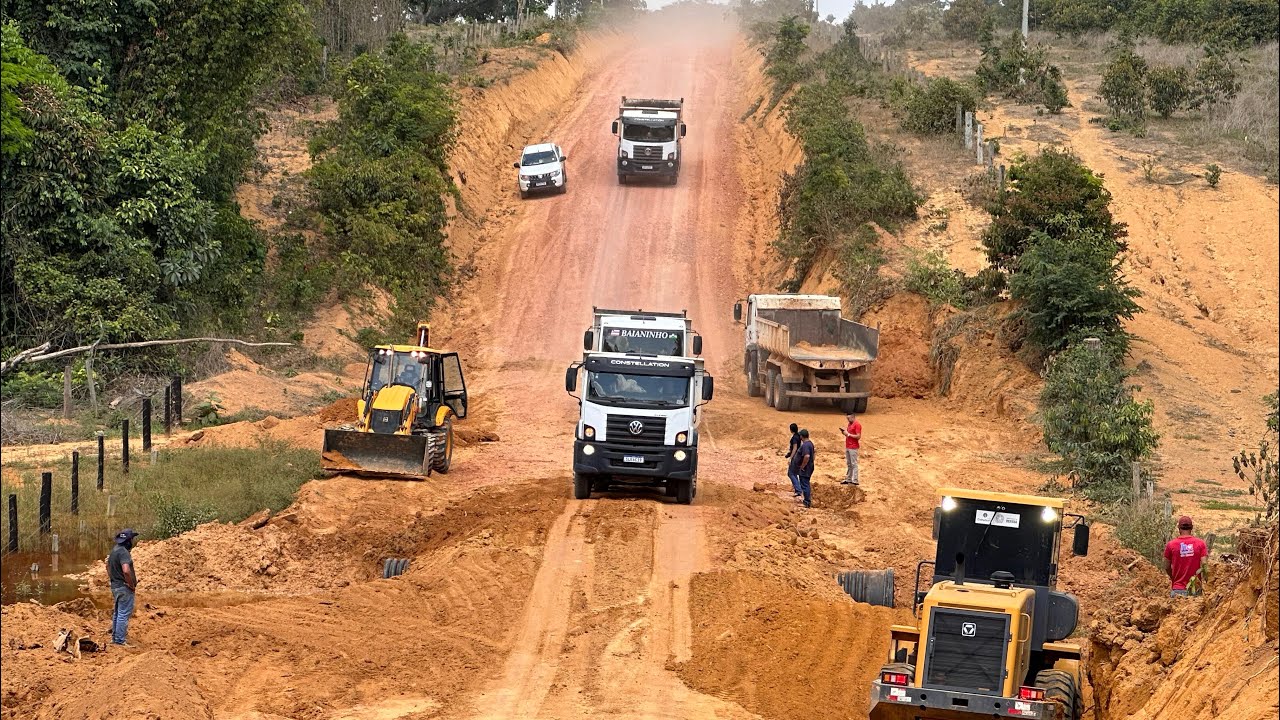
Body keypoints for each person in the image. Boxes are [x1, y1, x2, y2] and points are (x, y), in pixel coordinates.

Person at [107, 528, 139, 646]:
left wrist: (113, 578)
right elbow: (126, 570)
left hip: (115, 586)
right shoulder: (124, 552)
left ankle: (115, 638)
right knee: (123, 614)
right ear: (128, 541)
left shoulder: (114, 550)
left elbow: (107, 566)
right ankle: (120, 640)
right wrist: (130, 585)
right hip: (124, 587)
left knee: (118, 612)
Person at [1163, 515, 1208, 597]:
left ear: (1179, 528)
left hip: (1177, 589)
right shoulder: (1200, 544)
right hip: (1195, 589)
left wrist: (1173, 577)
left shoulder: (1171, 545)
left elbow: (1166, 566)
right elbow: (1204, 564)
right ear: (1192, 528)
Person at [839, 411, 862, 485]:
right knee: (849, 463)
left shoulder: (857, 425)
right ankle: (848, 478)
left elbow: (858, 436)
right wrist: (845, 433)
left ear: (853, 417)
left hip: (853, 447)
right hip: (848, 446)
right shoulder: (850, 424)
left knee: (854, 463)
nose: (848, 420)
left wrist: (848, 434)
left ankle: (855, 480)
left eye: (849, 418)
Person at [795, 429, 816, 508]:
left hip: (806, 468)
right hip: (809, 466)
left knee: (804, 484)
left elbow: (807, 456)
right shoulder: (810, 443)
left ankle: (807, 502)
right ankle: (807, 500)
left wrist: (802, 466)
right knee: (805, 483)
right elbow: (814, 453)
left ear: (801, 436)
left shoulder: (805, 445)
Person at [785, 423, 802, 498]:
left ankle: (798, 490)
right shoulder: (799, 436)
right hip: (798, 456)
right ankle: (798, 488)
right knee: (794, 473)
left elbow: (795, 447)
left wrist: (791, 457)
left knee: (791, 473)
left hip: (795, 457)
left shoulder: (794, 438)